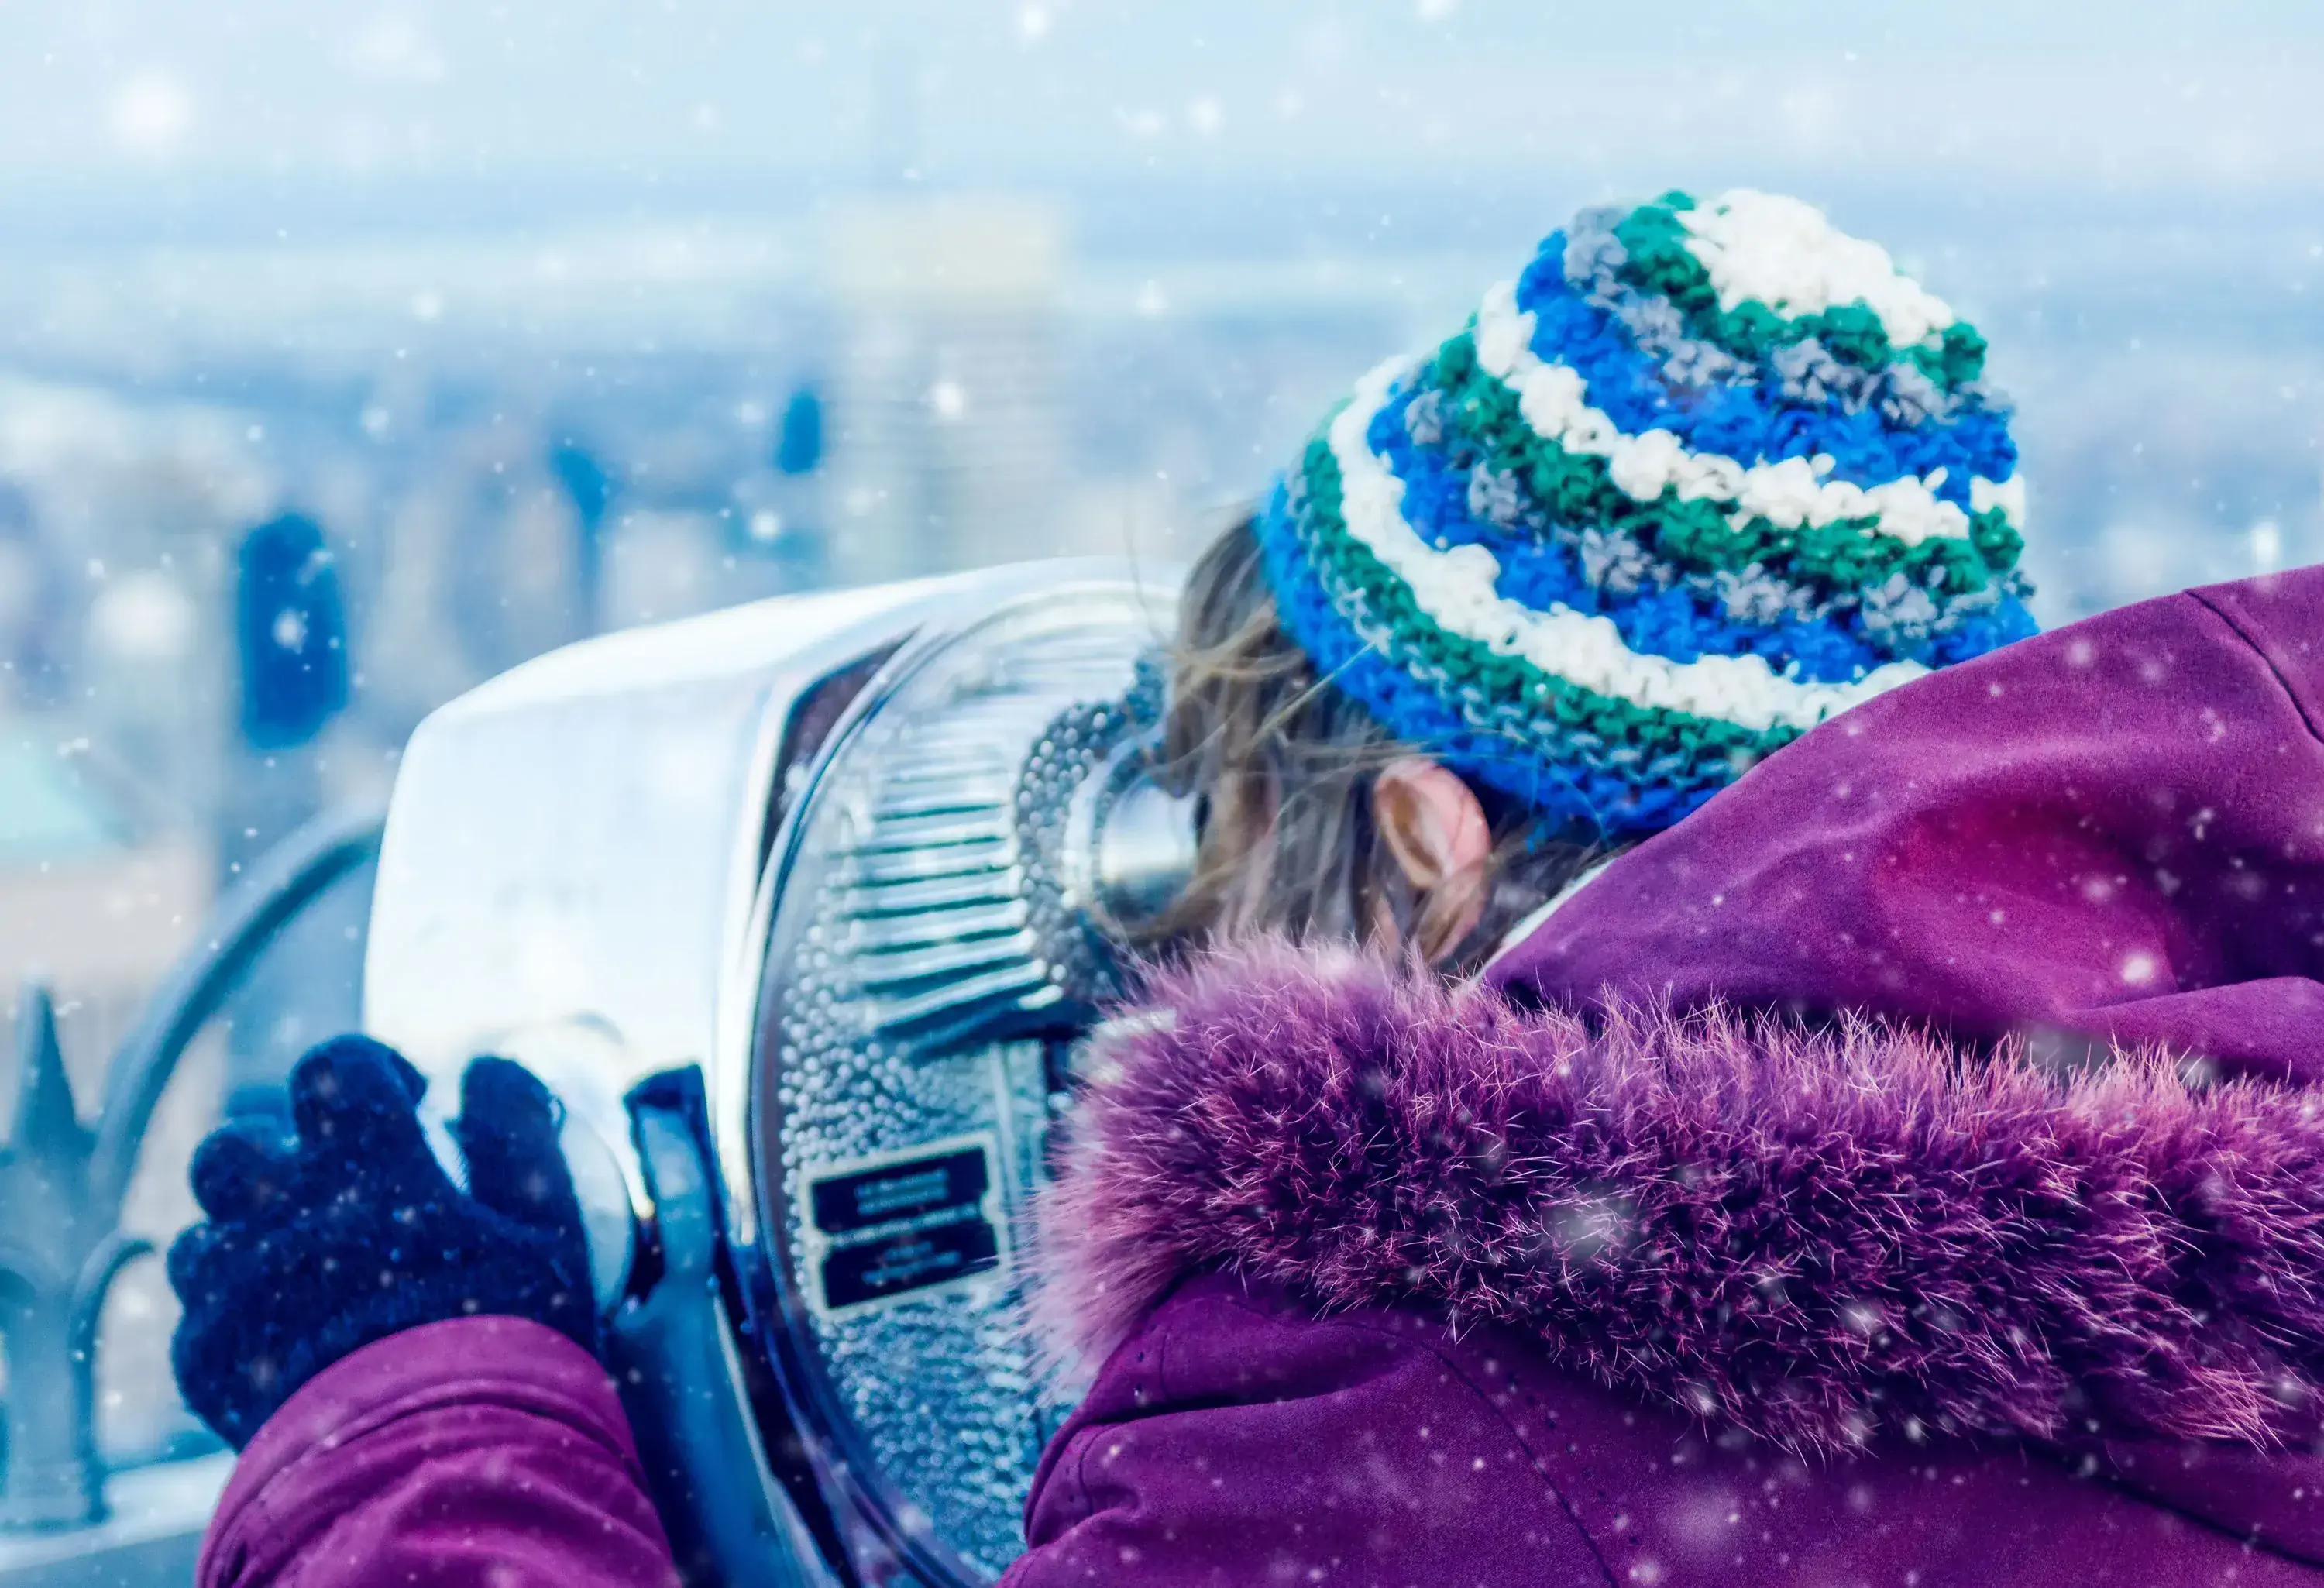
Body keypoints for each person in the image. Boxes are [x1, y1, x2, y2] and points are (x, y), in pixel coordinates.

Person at [167, 189, 2324, 1586]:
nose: (1176, 946)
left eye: (1222, 830)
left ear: (1423, 838)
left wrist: (413, 1410)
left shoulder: (1367, 1434)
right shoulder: (2236, 1159)